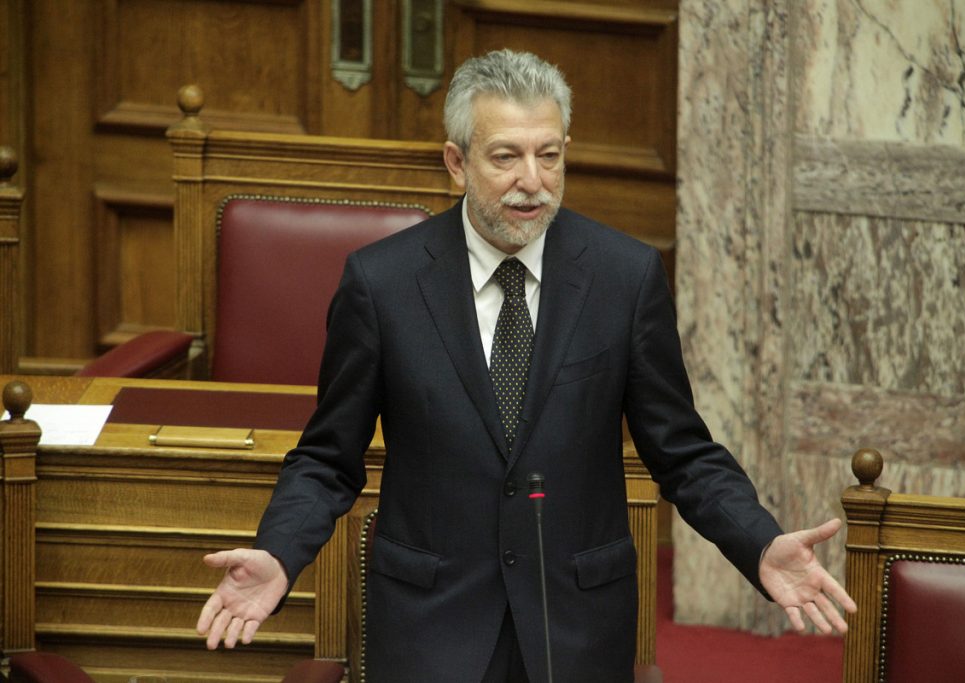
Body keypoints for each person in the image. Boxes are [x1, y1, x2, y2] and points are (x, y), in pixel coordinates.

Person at [196, 49, 856, 682]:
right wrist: (279, 552)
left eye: (549, 155)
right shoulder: (382, 284)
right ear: (457, 162)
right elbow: (327, 457)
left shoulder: (624, 278)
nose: (533, 181)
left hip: (577, 626)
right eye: (506, 156)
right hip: (431, 627)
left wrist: (758, 542)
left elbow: (682, 451)